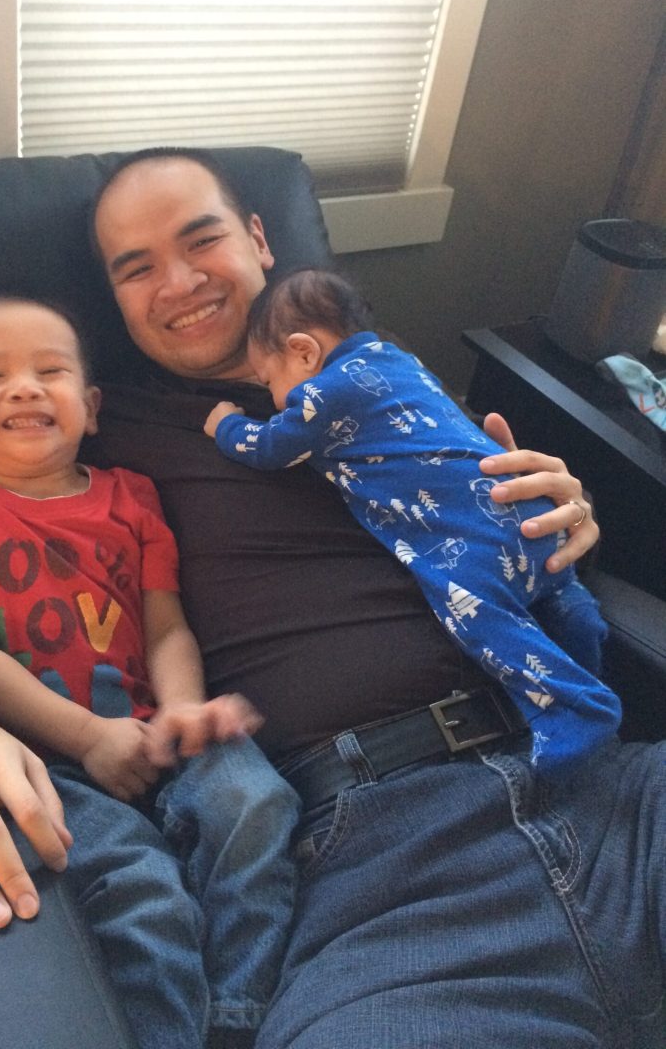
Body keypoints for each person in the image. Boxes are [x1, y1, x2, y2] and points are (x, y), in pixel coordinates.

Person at [0, 148, 663, 1048]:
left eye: (202, 240)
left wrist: (562, 507)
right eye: (136, 269)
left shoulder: (376, 369)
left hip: (596, 776)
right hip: (376, 871)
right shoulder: (94, 430)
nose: (179, 283)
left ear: (260, 239)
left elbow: (502, 511)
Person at [0, 293, 300, 1049]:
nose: (25, 388)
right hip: (49, 758)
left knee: (256, 804)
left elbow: (166, 624)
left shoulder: (132, 496)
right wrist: (86, 738)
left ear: (89, 409)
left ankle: (238, 1017)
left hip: (158, 729)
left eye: (49, 371)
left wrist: (183, 709)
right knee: (144, 892)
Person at [204, 268, 620, 774]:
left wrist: (226, 424)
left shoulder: (324, 394)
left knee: (480, 617)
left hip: (475, 536)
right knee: (560, 598)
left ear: (304, 352)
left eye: (269, 379)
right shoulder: (404, 362)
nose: (273, 397)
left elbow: (270, 446)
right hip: (529, 513)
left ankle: (573, 711)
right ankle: (581, 629)